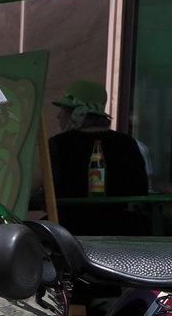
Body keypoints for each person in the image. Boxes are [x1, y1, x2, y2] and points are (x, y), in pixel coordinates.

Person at [47, 79, 148, 236]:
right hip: (125, 234)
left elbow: (31, 186)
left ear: (75, 113)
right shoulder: (127, 144)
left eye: (63, 110)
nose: (58, 116)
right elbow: (141, 190)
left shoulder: (58, 145)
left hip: (69, 236)